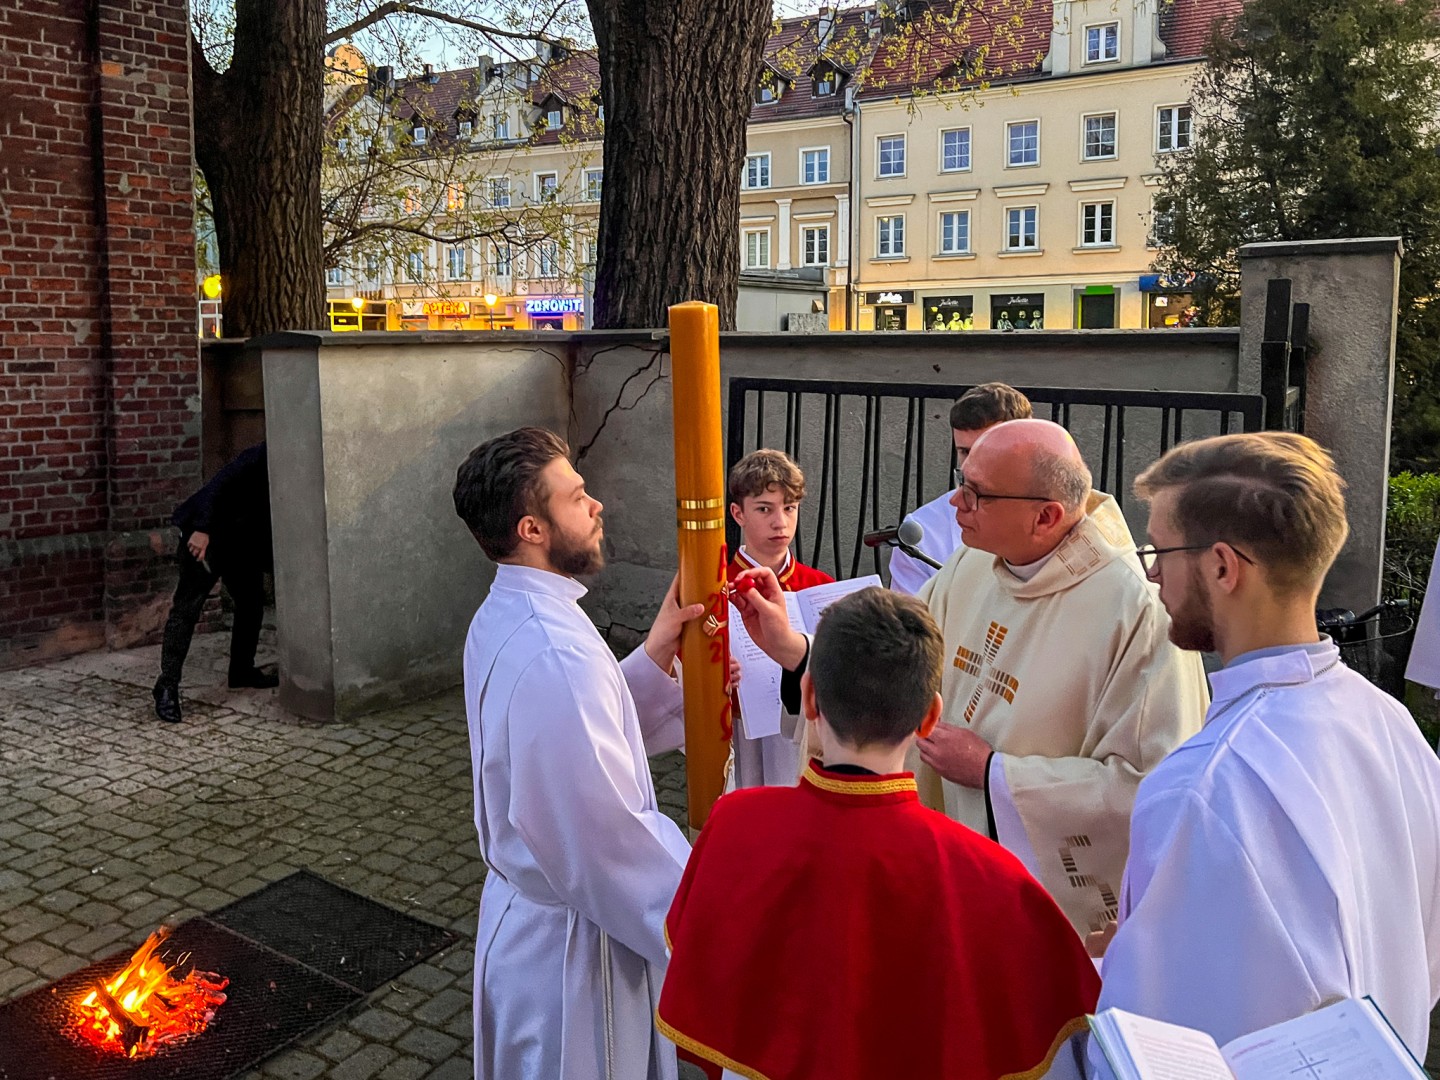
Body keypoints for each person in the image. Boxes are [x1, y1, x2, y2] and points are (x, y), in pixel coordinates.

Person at [660, 587, 1101, 1080]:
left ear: (809, 697)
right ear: (931, 716)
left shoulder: (734, 825)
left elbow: (702, 969)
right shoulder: (994, 877)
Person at [1094, 432, 1440, 1058]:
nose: (1150, 572)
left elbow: (1156, 1046)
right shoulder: (1390, 724)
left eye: (1160, 550)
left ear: (1223, 567)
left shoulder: (1203, 785)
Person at [453, 427, 702, 1080]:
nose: (597, 506)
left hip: (530, 927)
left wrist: (653, 660)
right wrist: (721, 916)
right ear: (532, 528)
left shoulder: (511, 610)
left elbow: (571, 751)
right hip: (571, 960)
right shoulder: (553, 650)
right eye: (577, 496)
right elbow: (608, 845)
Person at [911, 419, 1209, 934]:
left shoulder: (1136, 613)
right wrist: (800, 650)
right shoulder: (973, 563)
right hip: (957, 872)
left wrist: (993, 774)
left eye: (975, 494)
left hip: (1047, 919)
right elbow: (902, 646)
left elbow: (1154, 789)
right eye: (962, 482)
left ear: (1046, 516)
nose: (954, 504)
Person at [727, 449, 833, 788]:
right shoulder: (712, 587)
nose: (780, 522)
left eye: (789, 508)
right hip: (738, 732)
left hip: (803, 731)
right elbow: (677, 670)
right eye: (764, 509)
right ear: (738, 513)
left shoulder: (821, 586)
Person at [152, 442, 276, 724]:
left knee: (251, 603)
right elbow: (217, 487)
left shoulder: (300, 464)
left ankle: (242, 671)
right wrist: (203, 528)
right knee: (187, 610)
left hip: (239, 544)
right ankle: (167, 686)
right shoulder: (258, 456)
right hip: (206, 538)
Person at [888, 382, 1032, 596]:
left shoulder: (1057, 518)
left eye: (986, 450)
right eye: (965, 452)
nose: (972, 466)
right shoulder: (922, 532)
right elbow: (908, 624)